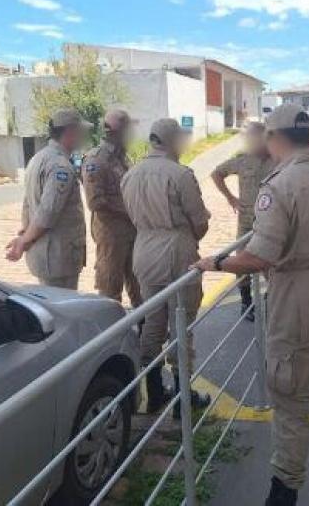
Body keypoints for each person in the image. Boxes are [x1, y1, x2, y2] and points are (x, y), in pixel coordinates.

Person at [194, 104, 309, 506]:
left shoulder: (279, 187)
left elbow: (260, 258)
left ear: (274, 139)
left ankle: (284, 492)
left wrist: (216, 262)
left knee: (291, 406)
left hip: (298, 302)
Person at [121, 118, 211, 416]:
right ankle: (183, 398)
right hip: (176, 250)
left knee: (152, 322)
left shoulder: (130, 174)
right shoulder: (180, 175)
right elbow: (199, 221)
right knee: (181, 324)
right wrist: (187, 237)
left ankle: (155, 391)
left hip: (143, 248)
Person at [5, 108, 90, 289]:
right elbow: (48, 211)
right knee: (62, 311)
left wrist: (25, 236)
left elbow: (27, 205)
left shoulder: (38, 158)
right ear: (70, 132)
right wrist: (24, 241)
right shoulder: (60, 166)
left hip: (46, 253)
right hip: (58, 256)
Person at [211, 121, 275, 319]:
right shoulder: (242, 160)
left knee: (271, 261)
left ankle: (272, 298)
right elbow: (216, 174)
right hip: (247, 221)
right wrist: (231, 198)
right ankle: (246, 302)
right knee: (242, 263)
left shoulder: (278, 159)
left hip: (271, 220)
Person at [81, 109, 142, 306]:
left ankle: (145, 330)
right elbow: (95, 202)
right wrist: (129, 212)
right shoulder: (96, 160)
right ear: (116, 132)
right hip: (111, 236)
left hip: (132, 233)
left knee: (138, 285)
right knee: (110, 290)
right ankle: (114, 335)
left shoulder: (122, 157)